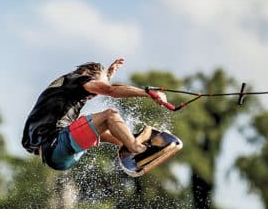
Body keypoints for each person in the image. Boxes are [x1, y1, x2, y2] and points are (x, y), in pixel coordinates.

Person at [21, 58, 172, 171]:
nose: (95, 94)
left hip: (55, 156)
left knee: (101, 128)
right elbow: (110, 90)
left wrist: (107, 74)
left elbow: (103, 86)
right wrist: (147, 93)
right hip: (57, 146)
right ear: (86, 74)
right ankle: (139, 151)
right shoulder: (76, 79)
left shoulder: (63, 87)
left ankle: (126, 143)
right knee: (109, 116)